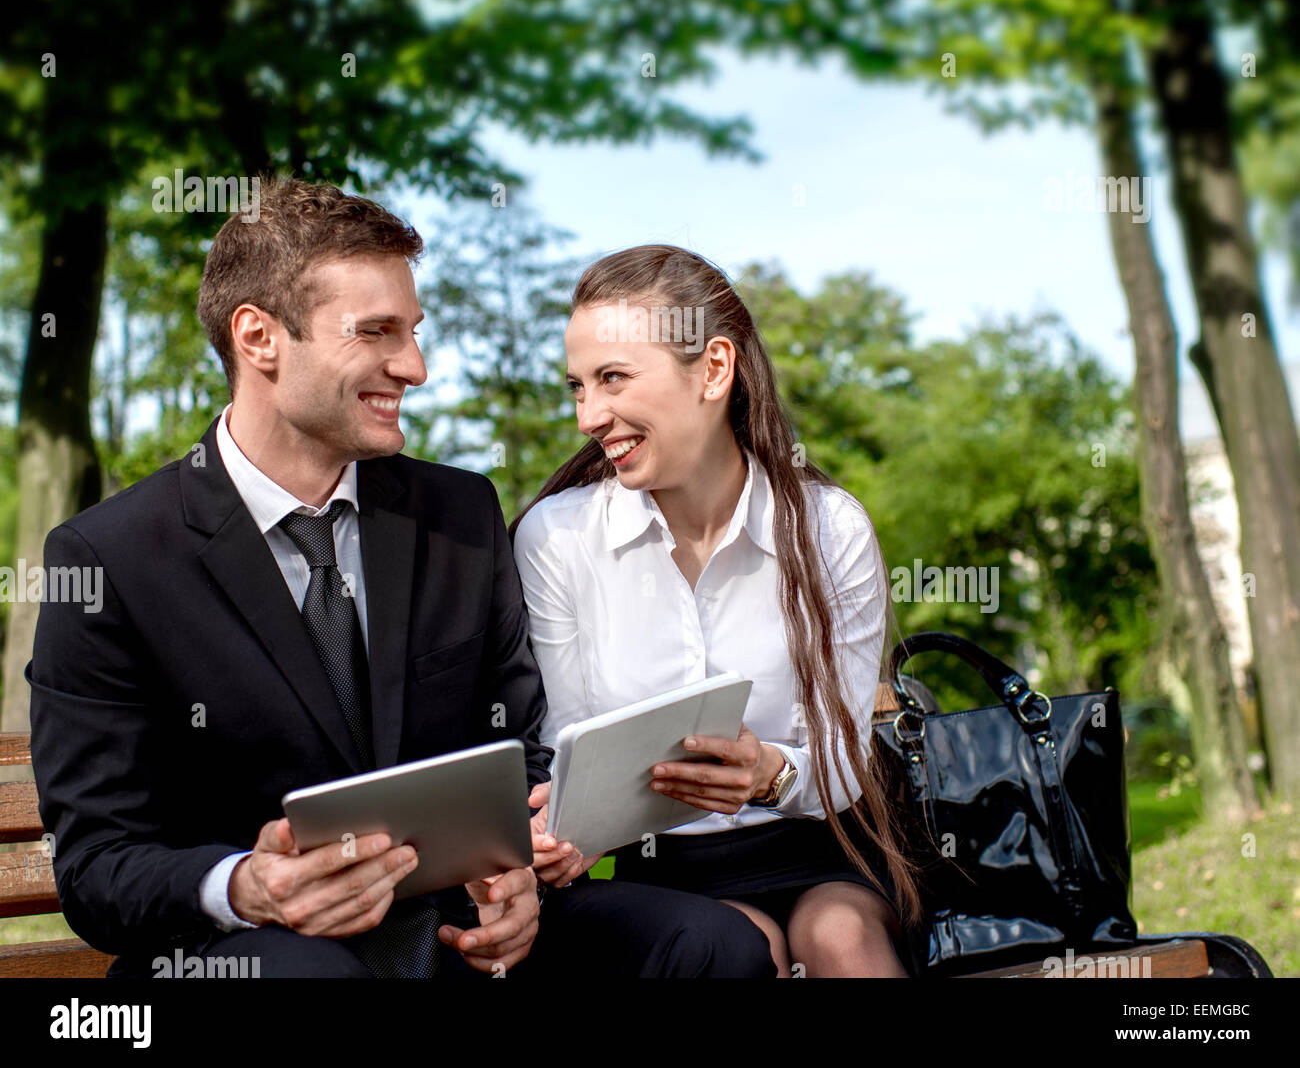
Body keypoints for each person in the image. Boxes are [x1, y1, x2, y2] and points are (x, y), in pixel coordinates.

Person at [26, 179, 776, 980]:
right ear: (259, 338)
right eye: (378, 332)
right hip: (243, 958)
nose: (413, 367)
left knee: (712, 947)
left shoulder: (459, 515)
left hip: (457, 933)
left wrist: (514, 874)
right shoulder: (110, 559)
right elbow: (99, 866)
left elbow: (520, 753)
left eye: (413, 331)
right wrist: (249, 887)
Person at [514, 244, 925, 977]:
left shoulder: (829, 529)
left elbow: (845, 762)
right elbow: (568, 741)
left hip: (820, 848)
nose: (588, 415)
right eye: (577, 386)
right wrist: (563, 829)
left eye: (612, 378)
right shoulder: (557, 539)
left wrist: (769, 773)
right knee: (737, 946)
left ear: (712, 370)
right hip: (663, 871)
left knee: (840, 937)